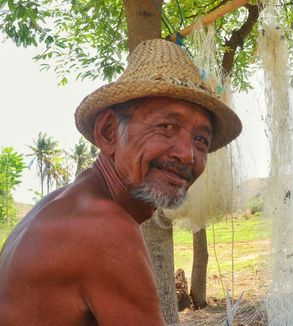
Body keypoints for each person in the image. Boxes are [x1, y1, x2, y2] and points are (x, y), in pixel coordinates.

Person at [0, 39, 242, 325]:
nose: (187, 155)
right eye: (166, 127)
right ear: (108, 133)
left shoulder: (63, 205)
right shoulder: (105, 228)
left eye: (201, 140)